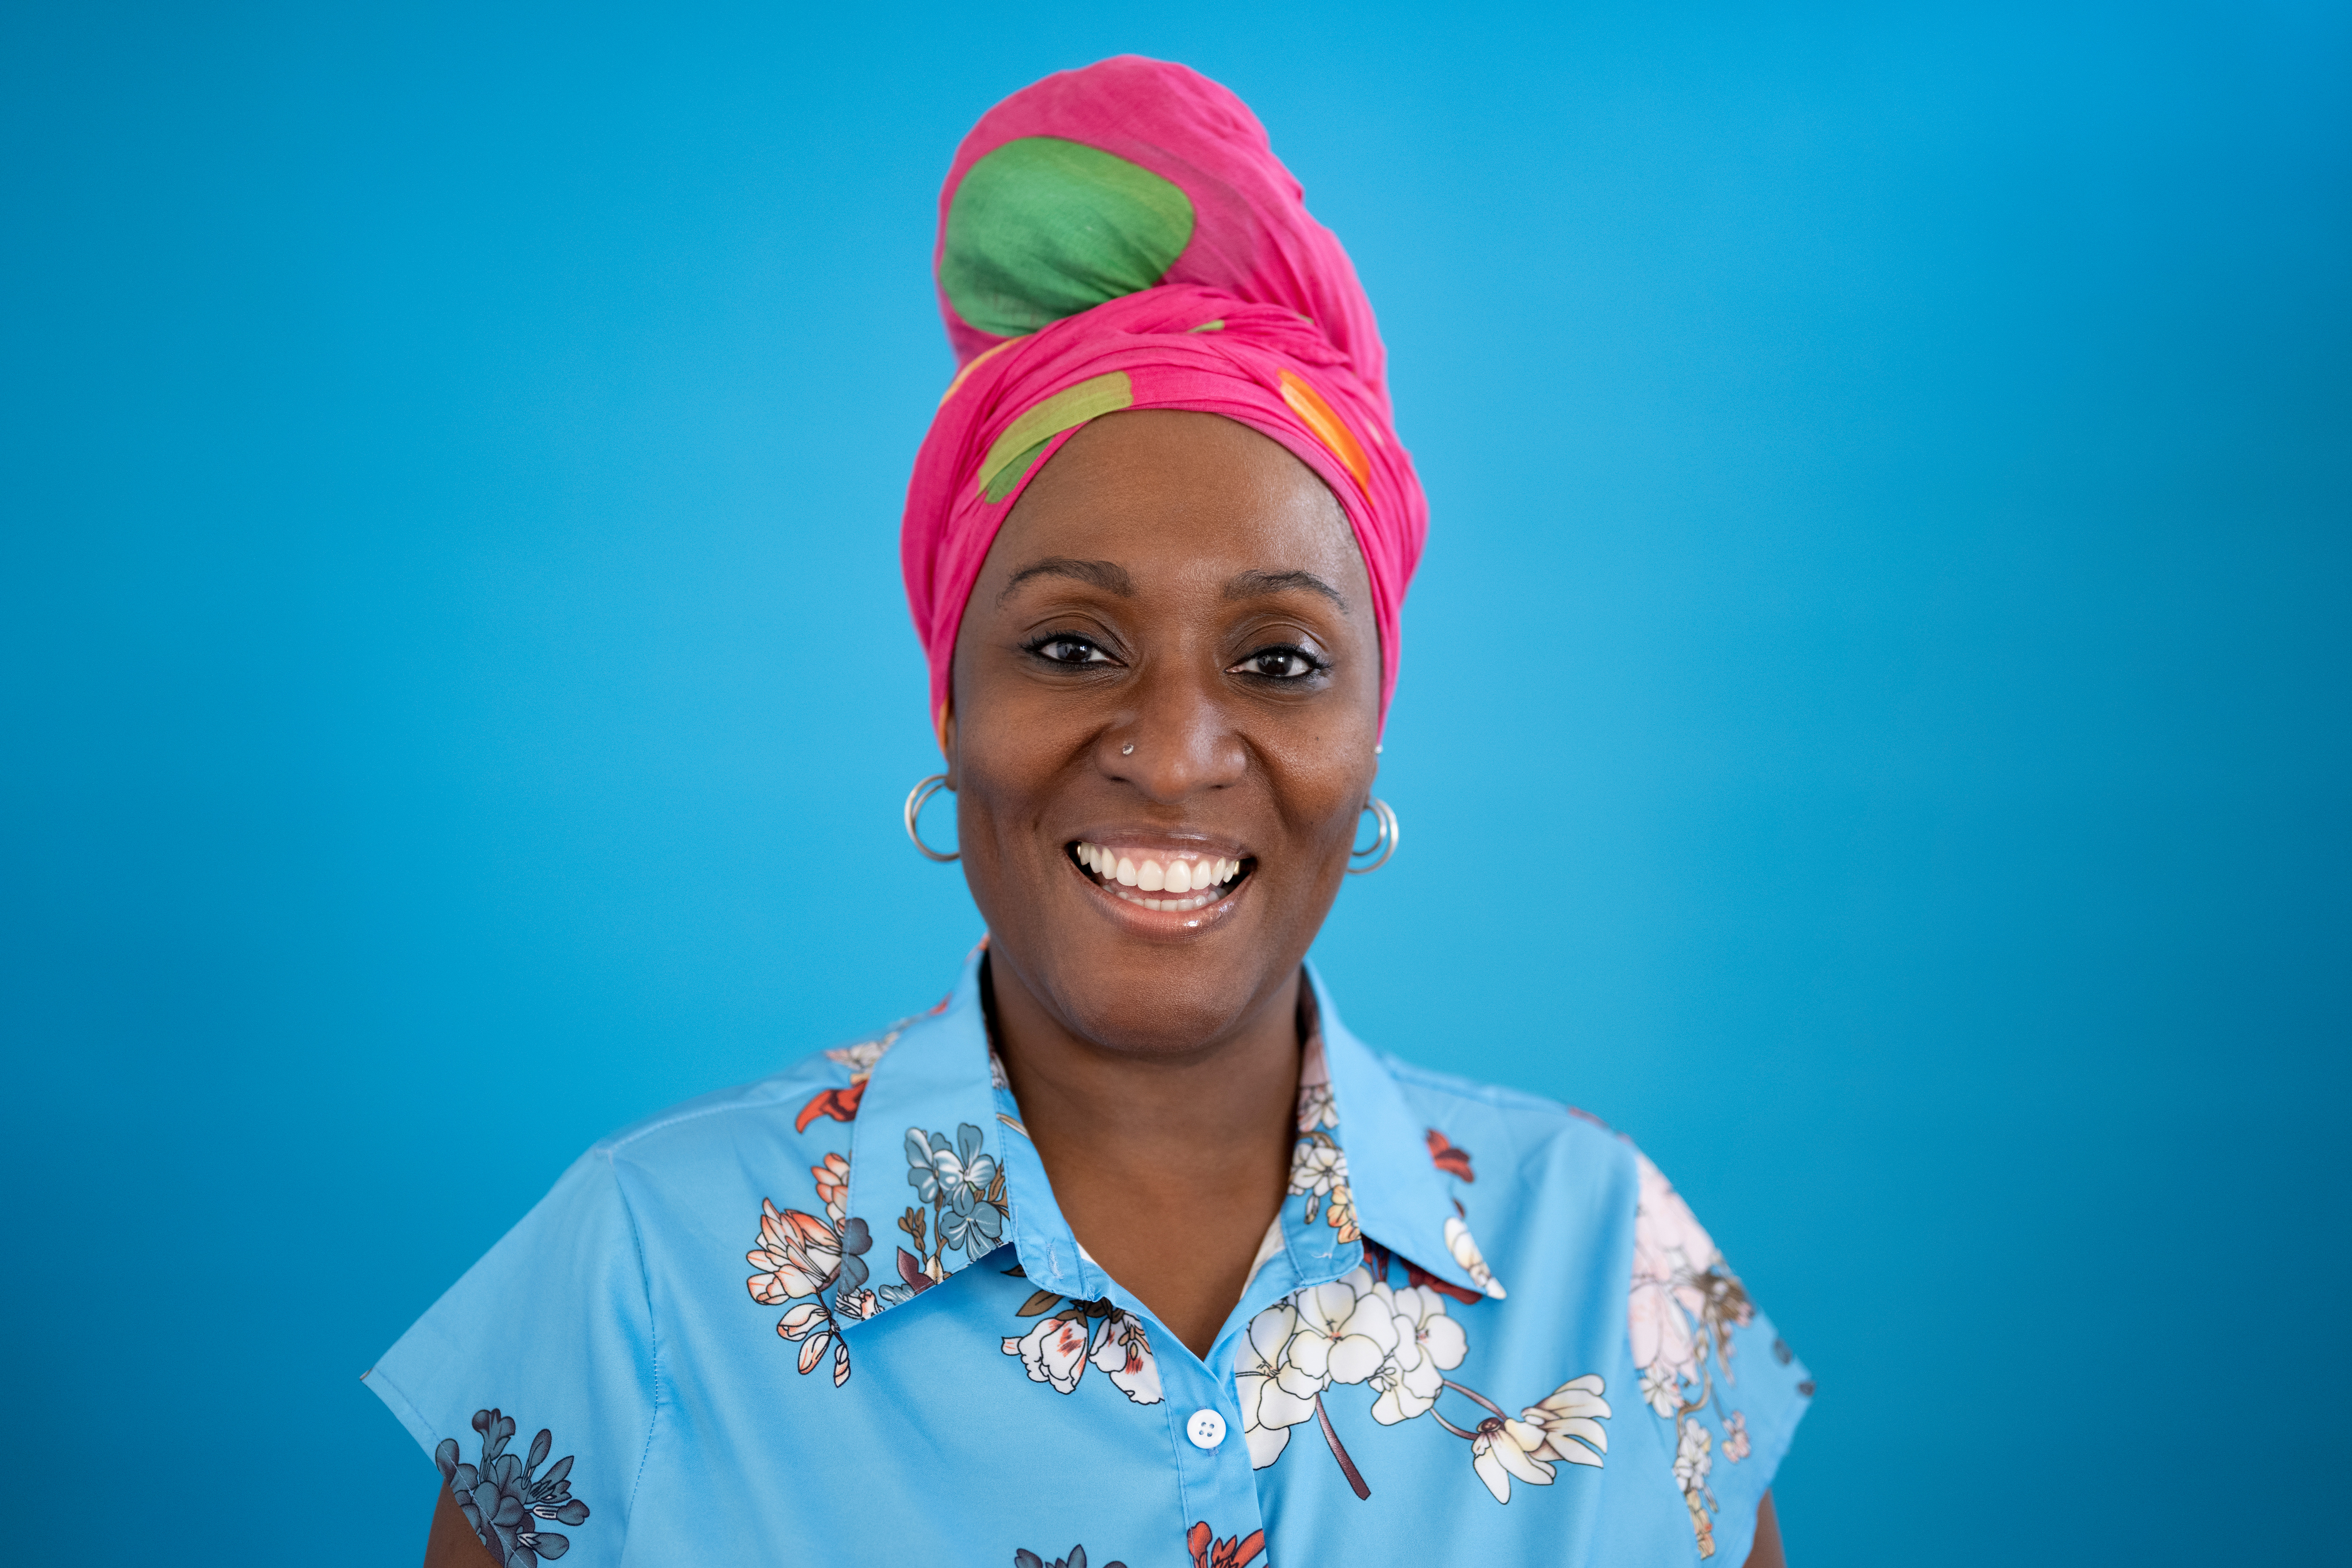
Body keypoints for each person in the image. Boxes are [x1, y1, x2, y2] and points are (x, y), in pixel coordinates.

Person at [373, 56, 1810, 1568]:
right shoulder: (640, 1276)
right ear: (947, 703)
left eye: (1277, 661)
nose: (1178, 755)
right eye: (1070, 646)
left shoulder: (1606, 1258)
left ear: (1369, 734)